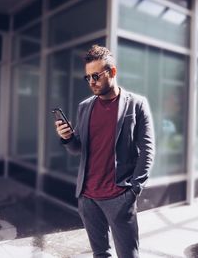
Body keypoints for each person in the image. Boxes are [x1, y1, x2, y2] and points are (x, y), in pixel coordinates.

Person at [55, 45, 155, 258]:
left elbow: (147, 150)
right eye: (87, 77)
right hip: (87, 197)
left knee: (128, 255)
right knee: (100, 254)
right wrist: (67, 138)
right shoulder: (85, 107)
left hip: (119, 196)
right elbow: (77, 149)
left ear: (113, 72)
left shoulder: (136, 105)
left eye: (96, 76)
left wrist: (133, 191)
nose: (91, 82)